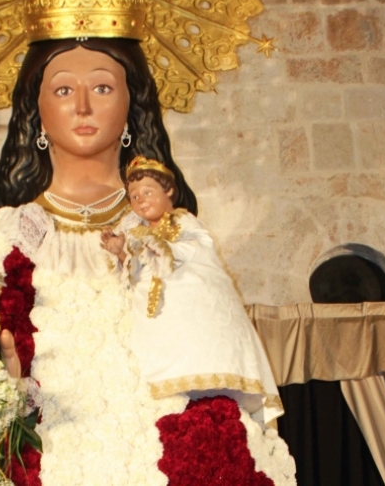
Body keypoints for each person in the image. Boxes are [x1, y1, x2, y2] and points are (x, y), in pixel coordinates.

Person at [0, 39, 294, 486]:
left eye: (103, 88)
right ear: (38, 109)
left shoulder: (172, 237)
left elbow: (211, 356)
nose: (83, 106)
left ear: (131, 106)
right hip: (37, 451)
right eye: (64, 90)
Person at [100, 156, 283, 424]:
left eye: (148, 192)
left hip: (188, 301)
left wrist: (163, 247)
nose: (141, 200)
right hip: (151, 315)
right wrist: (121, 253)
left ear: (169, 192)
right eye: (135, 196)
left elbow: (200, 248)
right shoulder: (134, 234)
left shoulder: (183, 222)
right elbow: (131, 274)